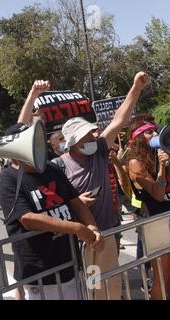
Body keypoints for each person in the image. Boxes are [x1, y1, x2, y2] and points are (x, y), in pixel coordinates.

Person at [58, 72, 151, 299]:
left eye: (92, 134)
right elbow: (54, 204)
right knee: (93, 290)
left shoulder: (99, 150)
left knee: (112, 286)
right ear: (71, 142)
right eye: (85, 137)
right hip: (83, 241)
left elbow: (119, 119)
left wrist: (136, 88)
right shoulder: (58, 167)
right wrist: (76, 204)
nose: (92, 139)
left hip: (108, 234)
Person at [0, 122, 104, 300]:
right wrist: (77, 228)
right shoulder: (8, 180)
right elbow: (28, 219)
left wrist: (92, 228)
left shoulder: (52, 168)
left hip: (70, 263)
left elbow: (76, 202)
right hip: (42, 272)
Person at [127, 118, 170, 300]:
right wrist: (162, 168)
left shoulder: (159, 154)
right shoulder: (135, 163)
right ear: (138, 138)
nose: (154, 134)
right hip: (157, 221)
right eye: (149, 132)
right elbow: (158, 195)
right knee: (163, 277)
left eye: (155, 130)